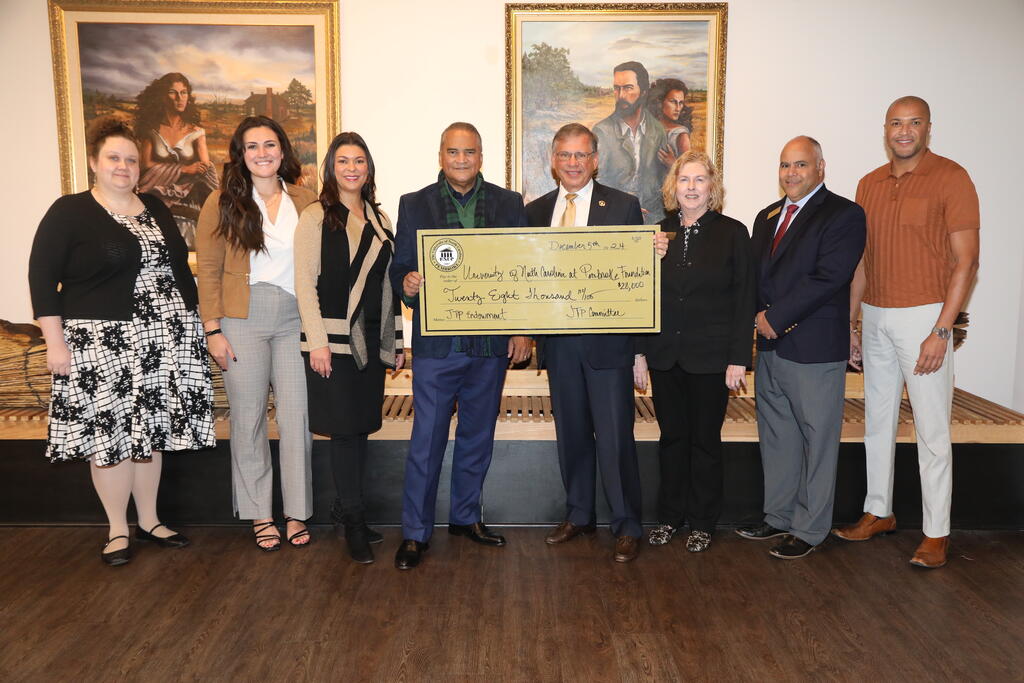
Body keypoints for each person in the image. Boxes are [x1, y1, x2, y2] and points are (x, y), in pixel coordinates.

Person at [28, 116, 215, 566]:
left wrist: (199, 327)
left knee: (148, 433)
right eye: (114, 157)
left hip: (164, 338)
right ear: (94, 162)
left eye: (131, 159)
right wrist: (55, 343)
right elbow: (41, 280)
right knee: (109, 437)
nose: (123, 166)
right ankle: (117, 528)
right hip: (101, 343)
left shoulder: (153, 205)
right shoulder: (69, 211)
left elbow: (178, 268)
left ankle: (150, 521)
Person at [833, 96, 980, 570]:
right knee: (876, 421)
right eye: (896, 123)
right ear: (885, 129)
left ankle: (936, 533)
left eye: (913, 123)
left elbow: (967, 261)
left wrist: (943, 328)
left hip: (926, 318)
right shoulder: (868, 184)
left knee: (932, 430)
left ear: (928, 128)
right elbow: (861, 261)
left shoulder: (952, 177)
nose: (904, 131)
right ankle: (879, 511)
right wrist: (853, 322)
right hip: (874, 315)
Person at [389, 122, 530, 570]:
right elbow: (400, 269)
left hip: (490, 346)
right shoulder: (414, 204)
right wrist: (408, 284)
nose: (462, 159)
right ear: (441, 155)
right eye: (453, 152)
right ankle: (415, 532)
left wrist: (523, 329)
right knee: (425, 442)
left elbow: (523, 270)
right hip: (438, 346)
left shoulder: (509, 204)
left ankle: (466, 518)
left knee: (477, 437)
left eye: (469, 152)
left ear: (481, 155)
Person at [525, 123, 667, 563]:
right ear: (553, 160)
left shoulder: (624, 206)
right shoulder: (536, 211)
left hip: (609, 346)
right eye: (565, 155)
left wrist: (639, 347)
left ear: (595, 160)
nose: (572, 163)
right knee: (571, 436)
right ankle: (579, 513)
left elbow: (637, 281)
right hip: (559, 346)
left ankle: (627, 525)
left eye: (581, 155)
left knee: (615, 438)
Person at [736, 136, 865, 559]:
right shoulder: (767, 215)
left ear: (821, 168)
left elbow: (828, 277)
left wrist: (775, 318)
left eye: (801, 165)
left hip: (812, 346)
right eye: (785, 165)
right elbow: (756, 277)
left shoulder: (844, 214)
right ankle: (778, 516)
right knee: (777, 436)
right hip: (770, 348)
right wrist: (754, 321)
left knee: (817, 439)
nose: (791, 173)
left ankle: (810, 530)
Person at [195, 116, 316, 552]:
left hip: (294, 319)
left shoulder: (306, 199)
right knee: (248, 421)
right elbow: (207, 269)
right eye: (252, 147)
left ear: (282, 151)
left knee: (296, 418)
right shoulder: (222, 201)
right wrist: (212, 329)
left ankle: (297, 511)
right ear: (240, 155)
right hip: (240, 318)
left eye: (269, 145)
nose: (262, 153)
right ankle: (260, 514)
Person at [635, 150, 755, 553]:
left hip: (712, 359)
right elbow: (642, 297)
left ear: (712, 187)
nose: (691, 187)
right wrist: (639, 354)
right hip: (666, 356)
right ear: (673, 186)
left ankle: (703, 521)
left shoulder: (733, 233)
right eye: (684, 180)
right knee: (671, 439)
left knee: (705, 441)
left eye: (699, 180)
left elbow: (744, 300)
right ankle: (669, 517)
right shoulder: (657, 233)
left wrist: (739, 357)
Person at [294, 132, 404, 564]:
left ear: (369, 167)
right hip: (332, 343)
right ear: (331, 167)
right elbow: (304, 283)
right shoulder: (316, 216)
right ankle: (354, 524)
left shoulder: (380, 218)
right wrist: (317, 342)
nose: (352, 168)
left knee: (359, 430)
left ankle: (346, 510)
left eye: (359, 160)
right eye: (344, 161)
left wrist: (394, 341)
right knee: (343, 433)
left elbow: (388, 287)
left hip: (370, 342)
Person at [135, 72, 218, 248]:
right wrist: (183, 169)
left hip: (188, 201)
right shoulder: (150, 130)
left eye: (184, 92)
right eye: (173, 92)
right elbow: (145, 166)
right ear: (163, 96)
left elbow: (205, 169)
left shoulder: (196, 132)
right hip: (155, 199)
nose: (179, 98)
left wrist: (200, 172)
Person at [592, 61, 670, 224]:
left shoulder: (657, 131)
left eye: (628, 88)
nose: (621, 95)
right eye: (616, 88)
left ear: (643, 92)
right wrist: (624, 209)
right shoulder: (601, 131)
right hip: (612, 223)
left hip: (653, 222)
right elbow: (595, 185)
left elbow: (663, 182)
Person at [647, 78, 693, 163]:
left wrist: (672, 164)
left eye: (681, 103)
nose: (678, 108)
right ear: (660, 102)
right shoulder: (647, 127)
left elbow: (687, 171)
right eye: (673, 102)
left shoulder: (680, 135)